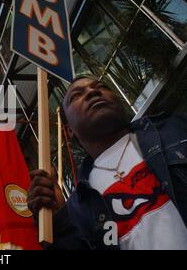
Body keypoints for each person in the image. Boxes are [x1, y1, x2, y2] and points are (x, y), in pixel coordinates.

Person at [27, 76, 187, 250]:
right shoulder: (78, 208)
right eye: (76, 96)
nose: (92, 92)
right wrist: (58, 221)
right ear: (69, 130)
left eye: (101, 86)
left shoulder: (175, 129)